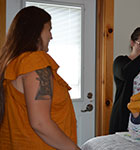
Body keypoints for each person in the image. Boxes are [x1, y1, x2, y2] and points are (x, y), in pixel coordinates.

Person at [0, 6, 80, 150]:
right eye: (49, 29)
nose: (51, 36)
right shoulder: (35, 63)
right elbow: (40, 123)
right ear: (35, 31)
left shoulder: (13, 62)